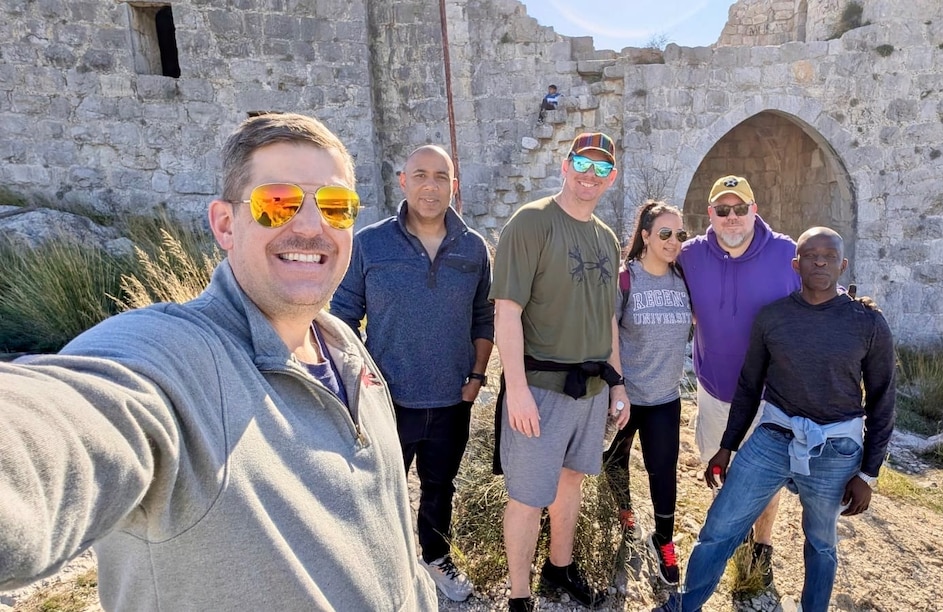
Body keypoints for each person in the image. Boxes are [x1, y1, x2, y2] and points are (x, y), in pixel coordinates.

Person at [0, 113, 438, 611]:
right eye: (278, 203)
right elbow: (72, 416)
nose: (313, 226)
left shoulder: (342, 344)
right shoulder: (176, 360)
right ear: (226, 225)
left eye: (336, 207)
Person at [658, 226, 896, 612]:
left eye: (829, 256)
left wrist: (868, 473)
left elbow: (883, 400)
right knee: (719, 526)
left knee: (821, 542)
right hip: (773, 436)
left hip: (835, 449)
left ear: (843, 264)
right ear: (796, 264)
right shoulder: (774, 318)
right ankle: (684, 605)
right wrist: (727, 447)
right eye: (812, 255)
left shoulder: (867, 323)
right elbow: (750, 386)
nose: (820, 261)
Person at [330, 144, 494, 602]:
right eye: (420, 175)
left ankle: (435, 558)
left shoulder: (473, 248)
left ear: (453, 186)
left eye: (441, 176)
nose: (431, 185)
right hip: (388, 401)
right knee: (380, 486)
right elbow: (342, 315)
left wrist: (476, 377)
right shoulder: (370, 242)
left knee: (441, 486)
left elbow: (484, 317)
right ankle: (379, 563)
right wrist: (360, 376)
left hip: (450, 399)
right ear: (402, 181)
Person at [490, 132, 630, 612]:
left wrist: (617, 381)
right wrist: (517, 391)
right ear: (565, 165)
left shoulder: (607, 238)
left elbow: (606, 317)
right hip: (541, 389)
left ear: (611, 179)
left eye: (602, 169)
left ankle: (559, 568)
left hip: (591, 391)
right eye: (583, 165)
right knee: (528, 496)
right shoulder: (531, 223)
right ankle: (519, 596)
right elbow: (506, 312)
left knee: (571, 482)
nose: (591, 176)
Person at [676, 174, 800, 584]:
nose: (732, 218)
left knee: (766, 475)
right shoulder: (691, 254)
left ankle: (761, 544)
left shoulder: (787, 253)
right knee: (719, 467)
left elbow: (820, 296)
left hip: (772, 395)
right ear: (710, 214)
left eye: (740, 209)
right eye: (723, 210)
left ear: (754, 211)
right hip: (715, 390)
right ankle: (737, 530)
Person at [602, 200, 692, 586]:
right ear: (645, 236)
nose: (673, 241)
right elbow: (609, 333)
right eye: (665, 234)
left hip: (665, 400)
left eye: (680, 235)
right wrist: (617, 386)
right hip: (627, 395)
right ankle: (624, 512)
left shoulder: (684, 279)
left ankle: (664, 541)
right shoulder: (626, 279)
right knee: (614, 460)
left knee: (663, 473)